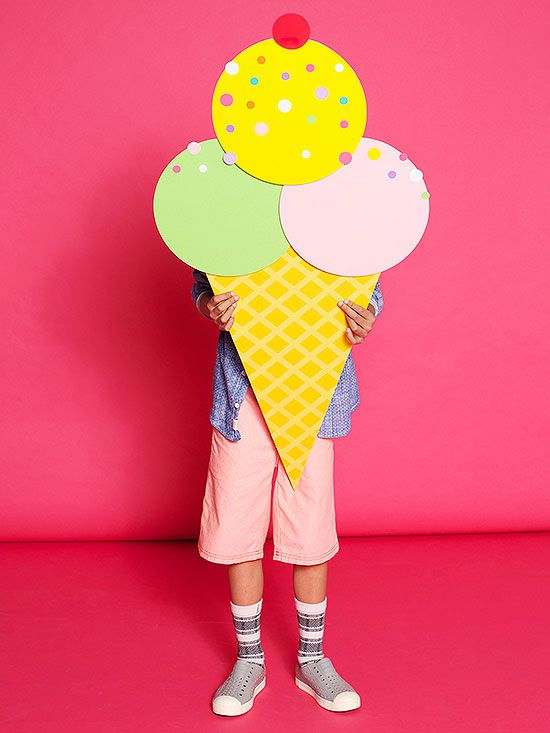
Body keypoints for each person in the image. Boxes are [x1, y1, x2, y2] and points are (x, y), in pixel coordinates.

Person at [192, 269, 383, 716]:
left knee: (310, 528)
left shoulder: (332, 219)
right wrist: (209, 306)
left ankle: (312, 658)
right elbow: (203, 281)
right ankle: (249, 658)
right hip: (242, 398)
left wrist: (367, 314)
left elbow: (368, 286)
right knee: (238, 527)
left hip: (314, 394)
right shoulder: (232, 216)